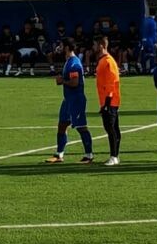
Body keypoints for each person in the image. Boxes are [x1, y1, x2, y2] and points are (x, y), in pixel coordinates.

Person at [47, 34, 95, 164]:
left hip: (76, 100)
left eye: (61, 45)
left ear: (67, 47)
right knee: (62, 125)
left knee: (81, 126)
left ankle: (89, 155)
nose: (59, 47)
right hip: (68, 100)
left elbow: (75, 82)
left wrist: (62, 81)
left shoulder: (74, 63)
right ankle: (59, 154)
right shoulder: (69, 61)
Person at [93, 34, 123, 165]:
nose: (93, 47)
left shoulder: (108, 61)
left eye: (95, 45)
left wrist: (107, 103)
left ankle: (114, 156)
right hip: (107, 101)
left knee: (111, 129)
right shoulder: (103, 61)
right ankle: (115, 155)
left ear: (101, 46)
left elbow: (111, 83)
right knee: (111, 128)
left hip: (110, 101)